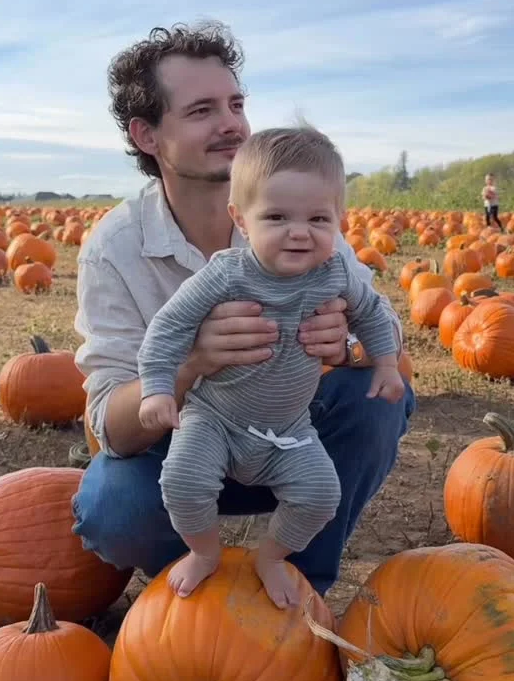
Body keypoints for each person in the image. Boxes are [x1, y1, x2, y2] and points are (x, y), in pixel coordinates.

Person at [72, 21, 415, 598]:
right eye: (202, 110)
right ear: (147, 135)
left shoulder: (302, 218)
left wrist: (346, 348)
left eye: (236, 104)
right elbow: (111, 426)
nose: (231, 123)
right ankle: (196, 593)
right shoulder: (115, 249)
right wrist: (192, 362)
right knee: (113, 506)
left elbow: (386, 335)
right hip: (187, 441)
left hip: (290, 434)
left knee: (375, 405)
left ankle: (298, 585)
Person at [137, 126, 404, 607]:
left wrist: (383, 363)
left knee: (321, 495)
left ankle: (272, 556)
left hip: (288, 427)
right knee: (182, 481)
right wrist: (158, 387)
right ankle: (204, 552)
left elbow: (371, 313)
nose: (299, 231)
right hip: (214, 418)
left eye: (318, 218)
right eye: (277, 217)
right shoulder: (226, 274)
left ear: (339, 221)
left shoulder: (336, 272)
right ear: (241, 220)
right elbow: (168, 327)